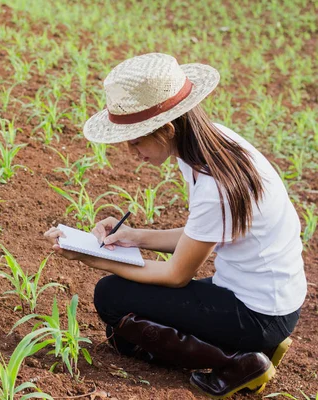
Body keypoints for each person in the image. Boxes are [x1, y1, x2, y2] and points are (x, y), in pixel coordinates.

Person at [44, 53, 306, 399]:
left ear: (167, 129)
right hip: (268, 299)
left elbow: (175, 275)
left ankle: (239, 361)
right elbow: (201, 236)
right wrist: (134, 236)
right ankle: (245, 349)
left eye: (136, 140)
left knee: (111, 296)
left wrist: (94, 259)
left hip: (257, 313)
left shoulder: (215, 183)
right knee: (123, 332)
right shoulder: (214, 147)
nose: (130, 150)